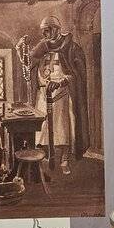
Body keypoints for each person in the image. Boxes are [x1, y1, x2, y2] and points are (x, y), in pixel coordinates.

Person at [21, 15, 89, 172]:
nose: (44, 34)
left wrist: (61, 82)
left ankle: (64, 159)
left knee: (64, 128)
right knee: (43, 127)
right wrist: (22, 48)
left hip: (63, 94)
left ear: (57, 29)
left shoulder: (71, 48)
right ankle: (45, 157)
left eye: (47, 30)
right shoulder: (42, 46)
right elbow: (28, 65)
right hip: (43, 94)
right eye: (43, 30)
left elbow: (78, 74)